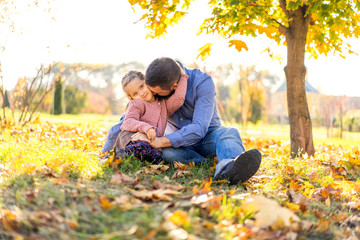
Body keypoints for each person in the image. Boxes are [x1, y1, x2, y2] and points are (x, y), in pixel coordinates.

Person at [102, 57, 261, 185]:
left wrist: (160, 141)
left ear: (175, 87)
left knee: (230, 132)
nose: (147, 94)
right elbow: (128, 120)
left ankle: (229, 167)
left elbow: (199, 128)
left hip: (207, 136)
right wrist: (108, 152)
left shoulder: (202, 82)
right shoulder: (155, 83)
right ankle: (206, 162)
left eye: (157, 93)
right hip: (177, 143)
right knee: (166, 152)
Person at [113, 70, 188, 164]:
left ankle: (137, 159)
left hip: (151, 142)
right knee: (143, 146)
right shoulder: (136, 104)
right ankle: (118, 156)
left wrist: (183, 77)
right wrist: (146, 128)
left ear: (147, 81)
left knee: (158, 157)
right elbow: (127, 122)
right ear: (131, 98)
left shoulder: (163, 104)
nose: (141, 93)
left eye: (141, 86)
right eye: (135, 94)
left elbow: (178, 99)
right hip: (132, 138)